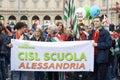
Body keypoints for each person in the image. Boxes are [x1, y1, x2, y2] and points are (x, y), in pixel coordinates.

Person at [88, 16, 112, 80]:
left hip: (102, 59)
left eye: (97, 21)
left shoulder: (105, 32)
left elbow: (109, 44)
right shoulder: (91, 32)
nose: (95, 23)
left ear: (101, 22)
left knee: (101, 77)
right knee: (92, 77)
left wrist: (98, 45)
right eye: (94, 21)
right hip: (92, 58)